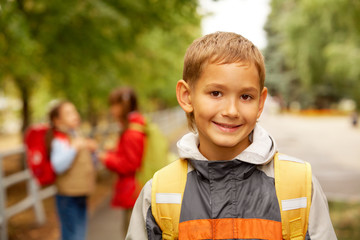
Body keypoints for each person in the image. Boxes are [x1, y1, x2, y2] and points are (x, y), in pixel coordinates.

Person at [126, 32, 337, 239]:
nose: (231, 110)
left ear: (260, 102)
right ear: (186, 96)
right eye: (216, 93)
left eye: (246, 96)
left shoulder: (300, 186)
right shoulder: (159, 193)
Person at [46, 100, 97, 240]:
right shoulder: (60, 140)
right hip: (68, 197)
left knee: (80, 232)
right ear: (57, 121)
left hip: (81, 193)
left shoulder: (75, 135)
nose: (75, 115)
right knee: (72, 235)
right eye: (68, 113)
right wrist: (74, 148)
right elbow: (58, 166)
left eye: (74, 111)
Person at [98, 87, 146, 233]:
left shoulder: (132, 132)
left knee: (132, 232)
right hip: (134, 190)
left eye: (114, 105)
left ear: (123, 106)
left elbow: (130, 165)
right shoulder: (133, 128)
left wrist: (106, 159)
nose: (112, 110)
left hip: (133, 192)